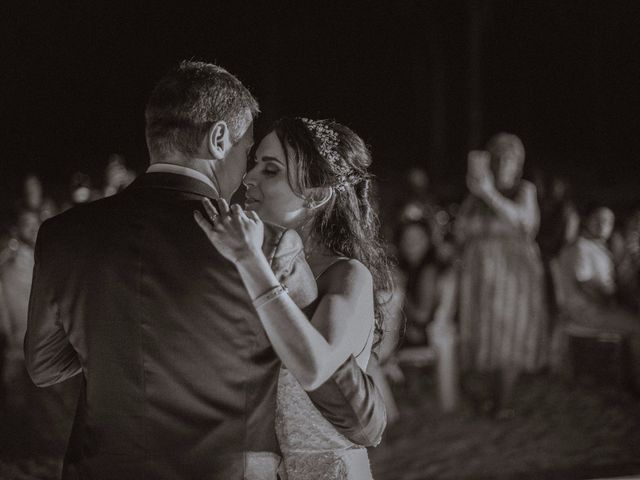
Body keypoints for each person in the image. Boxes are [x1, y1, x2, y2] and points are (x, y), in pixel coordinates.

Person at [25, 62, 385, 480]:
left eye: (266, 165)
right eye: (247, 151)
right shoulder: (265, 245)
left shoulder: (63, 235)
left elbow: (44, 367)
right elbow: (345, 403)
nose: (246, 174)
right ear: (218, 139)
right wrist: (370, 419)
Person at [195, 117, 393, 479]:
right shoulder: (256, 264)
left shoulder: (347, 275)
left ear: (316, 195)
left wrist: (249, 261)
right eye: (254, 163)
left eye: (270, 170)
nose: (248, 178)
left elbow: (315, 366)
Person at [455, 132, 548, 416]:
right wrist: (477, 195)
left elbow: (525, 222)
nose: (502, 164)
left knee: (510, 334)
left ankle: (503, 403)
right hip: (481, 276)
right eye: (497, 158)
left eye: (509, 158)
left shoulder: (524, 190)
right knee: (485, 336)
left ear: (518, 163)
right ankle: (489, 397)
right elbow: (460, 230)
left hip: (514, 274)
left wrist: (490, 195)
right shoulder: (476, 196)